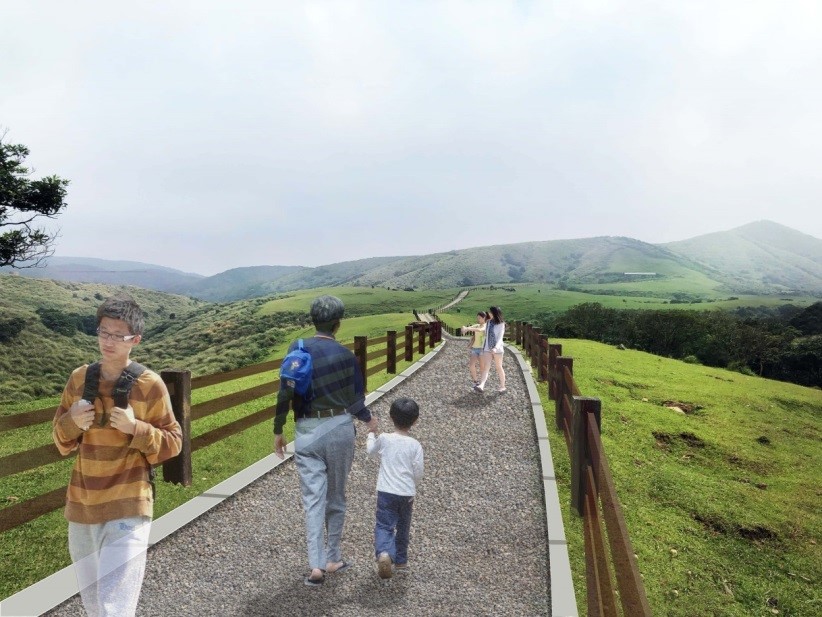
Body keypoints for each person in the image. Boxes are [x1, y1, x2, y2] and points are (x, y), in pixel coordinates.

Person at [52, 294, 182, 617]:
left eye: (118, 335)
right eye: (103, 332)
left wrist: (136, 428)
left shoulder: (150, 386)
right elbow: (60, 440)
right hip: (82, 506)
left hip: (129, 504)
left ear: (135, 340)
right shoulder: (79, 379)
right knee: (95, 605)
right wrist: (72, 423)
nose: (108, 341)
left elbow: (174, 442)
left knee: (114, 609)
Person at [274, 295, 378, 586]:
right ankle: (333, 558)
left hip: (306, 431)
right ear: (338, 323)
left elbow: (285, 391)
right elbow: (355, 401)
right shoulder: (347, 356)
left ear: (313, 320)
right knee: (336, 497)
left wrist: (278, 428)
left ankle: (316, 567)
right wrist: (370, 420)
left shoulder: (297, 348)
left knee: (312, 500)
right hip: (339, 429)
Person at [366, 398, 424, 579]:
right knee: (403, 526)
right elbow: (418, 471)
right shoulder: (415, 445)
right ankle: (401, 561)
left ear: (391, 417)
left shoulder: (384, 439)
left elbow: (370, 451)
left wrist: (371, 433)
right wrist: (414, 485)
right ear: (415, 421)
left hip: (386, 491)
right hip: (406, 493)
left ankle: (384, 553)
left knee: (384, 525)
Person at [474, 306, 506, 393]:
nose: (489, 314)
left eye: (490, 312)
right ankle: (481, 385)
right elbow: (486, 335)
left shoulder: (501, 324)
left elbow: (500, 338)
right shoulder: (488, 322)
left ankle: (503, 386)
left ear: (495, 313)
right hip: (487, 349)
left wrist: (495, 348)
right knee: (486, 367)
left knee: (498, 367)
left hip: (498, 350)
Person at [462, 311, 490, 386]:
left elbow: (480, 330)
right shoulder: (477, 325)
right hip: (474, 348)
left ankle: (482, 383)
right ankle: (475, 381)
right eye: (477, 318)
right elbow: (466, 328)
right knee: (471, 365)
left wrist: (468, 329)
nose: (478, 319)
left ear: (484, 318)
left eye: (479, 318)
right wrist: (464, 329)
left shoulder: (486, 326)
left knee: (482, 367)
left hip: (482, 349)